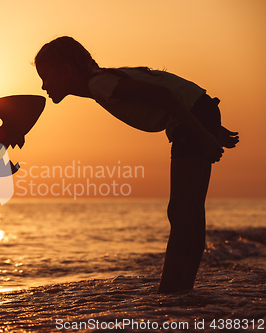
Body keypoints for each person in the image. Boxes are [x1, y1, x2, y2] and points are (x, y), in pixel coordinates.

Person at [34, 36, 238, 293]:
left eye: (46, 77)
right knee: (191, 212)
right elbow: (174, 97)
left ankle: (171, 292)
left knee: (181, 212)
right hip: (197, 111)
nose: (43, 86)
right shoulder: (105, 80)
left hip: (191, 120)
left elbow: (162, 93)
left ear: (65, 70)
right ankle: (183, 290)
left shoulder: (100, 84)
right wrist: (208, 126)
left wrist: (203, 133)